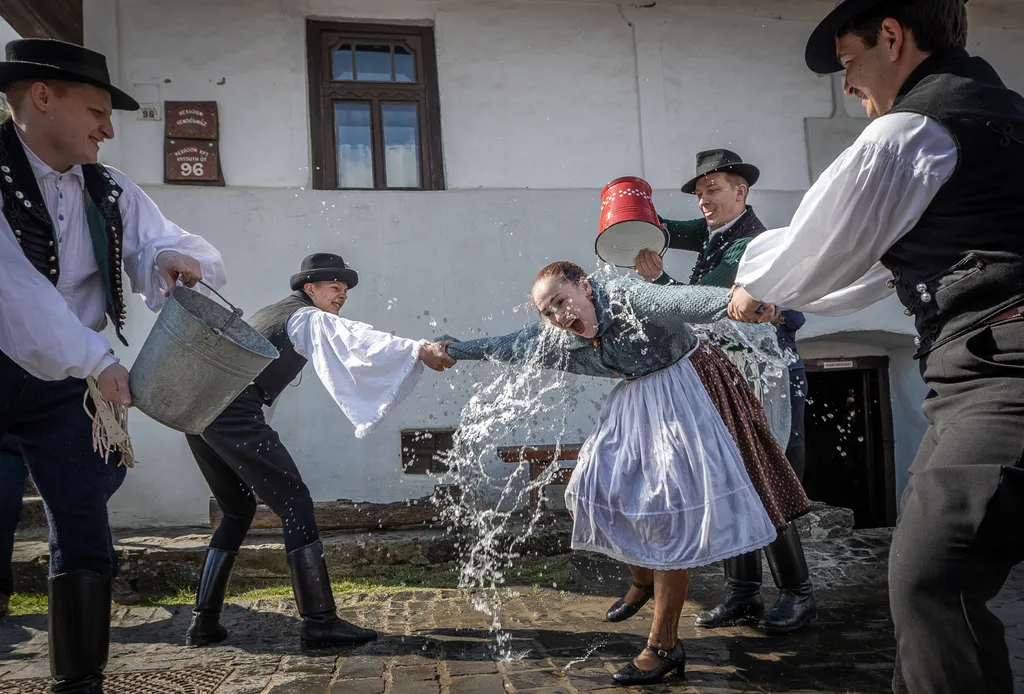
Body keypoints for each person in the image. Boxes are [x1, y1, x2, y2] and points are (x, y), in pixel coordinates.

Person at [726, 1, 1024, 691]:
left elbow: (816, 248)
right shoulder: (997, 116)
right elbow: (876, 262)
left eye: (850, 62)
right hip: (984, 366)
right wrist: (786, 294)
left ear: (892, 37)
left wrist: (755, 284)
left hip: (1001, 369)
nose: (847, 84)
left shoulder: (912, 130)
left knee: (931, 578)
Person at [442, 261, 810, 685]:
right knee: (588, 491)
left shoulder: (629, 299)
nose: (560, 317)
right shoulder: (560, 338)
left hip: (690, 389)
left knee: (669, 515)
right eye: (548, 312)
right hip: (637, 399)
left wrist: (732, 302)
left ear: (585, 287)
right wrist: (453, 350)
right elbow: (511, 345)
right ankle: (643, 579)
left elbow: (679, 300)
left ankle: (664, 646)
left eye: (563, 302)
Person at [0, 39, 225, 693]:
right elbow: (13, 291)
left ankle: (81, 681)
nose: (108, 127)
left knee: (83, 516)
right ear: (42, 96)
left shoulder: (108, 186)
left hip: (65, 383)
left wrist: (172, 263)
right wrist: (97, 359)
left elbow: (167, 243)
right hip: (33, 364)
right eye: (96, 109)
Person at [184, 252, 455, 650]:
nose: (342, 296)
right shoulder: (307, 316)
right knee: (296, 503)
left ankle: (202, 623)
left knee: (238, 511)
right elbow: (358, 341)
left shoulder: (272, 314)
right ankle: (319, 623)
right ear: (310, 288)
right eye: (334, 288)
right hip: (230, 413)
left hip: (201, 414)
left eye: (345, 290)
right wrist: (419, 349)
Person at [628, 150, 815, 633]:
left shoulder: (749, 241)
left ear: (741, 191)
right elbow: (664, 228)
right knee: (733, 479)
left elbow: (705, 306)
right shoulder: (714, 231)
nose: (704, 199)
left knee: (766, 477)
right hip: (732, 375)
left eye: (714, 189)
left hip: (769, 374)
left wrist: (658, 280)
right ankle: (744, 594)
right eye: (699, 191)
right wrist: (628, 211)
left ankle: (799, 593)